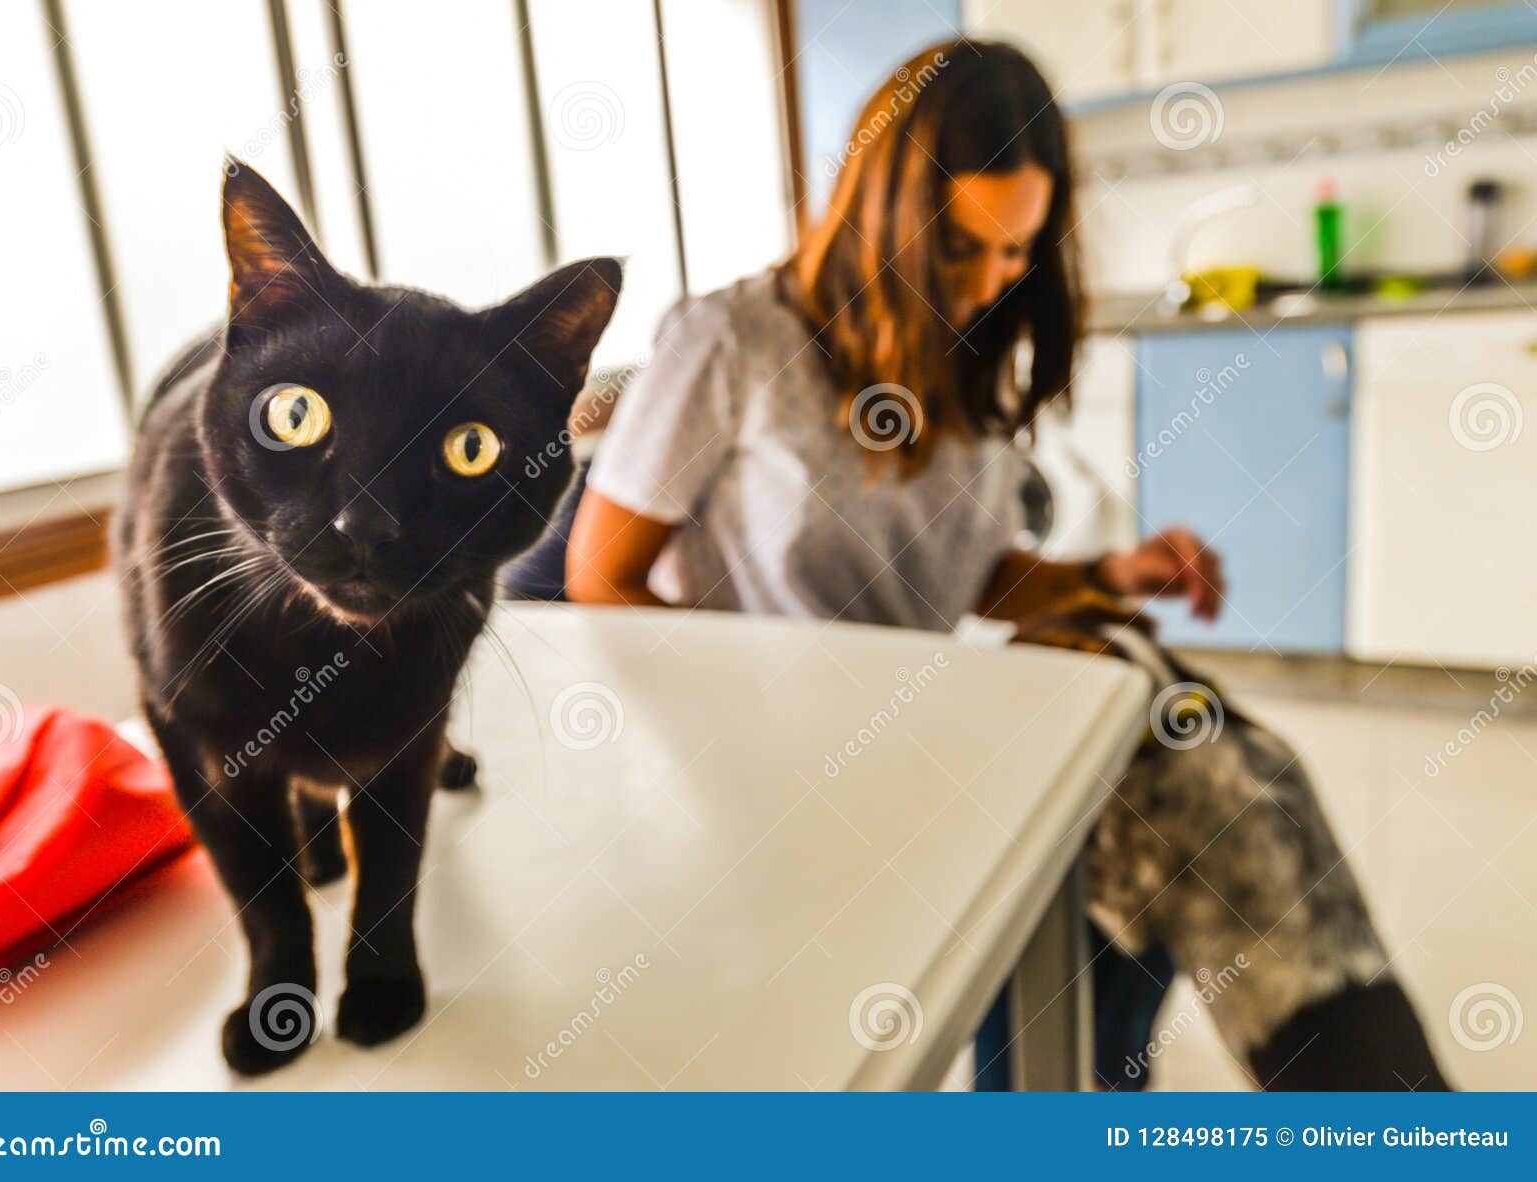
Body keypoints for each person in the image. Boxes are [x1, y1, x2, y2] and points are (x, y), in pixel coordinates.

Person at [559, 40, 1439, 1090]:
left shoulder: (958, 352)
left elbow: (957, 573)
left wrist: (1107, 575)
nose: (987, 284)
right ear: (883, 218)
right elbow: (598, 581)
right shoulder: (727, 342)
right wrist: (778, 698)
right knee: (1181, 792)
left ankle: (1084, 1095)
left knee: (1187, 767)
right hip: (781, 771)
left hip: (918, 729)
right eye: (961, 249)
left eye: (1016, 252)